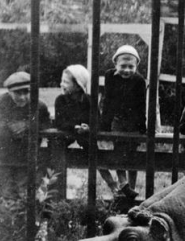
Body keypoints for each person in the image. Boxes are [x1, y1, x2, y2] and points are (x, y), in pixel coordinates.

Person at [53, 64, 117, 193]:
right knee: (55, 152)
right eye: (61, 81)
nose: (61, 84)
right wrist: (74, 127)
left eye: (65, 82)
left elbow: (98, 121)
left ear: (78, 86)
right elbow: (60, 122)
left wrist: (89, 128)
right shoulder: (60, 100)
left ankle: (113, 185)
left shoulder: (89, 100)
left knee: (94, 152)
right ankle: (53, 189)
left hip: (84, 135)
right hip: (67, 134)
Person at [0, 71, 51, 199]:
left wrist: (27, 125)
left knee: (25, 196)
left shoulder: (39, 106)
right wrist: (9, 127)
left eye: (26, 92)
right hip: (3, 159)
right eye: (17, 93)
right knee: (6, 196)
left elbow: (47, 124)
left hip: (26, 159)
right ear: (9, 91)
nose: (22, 97)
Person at [100, 45, 147, 200]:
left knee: (132, 151)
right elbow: (107, 100)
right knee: (119, 148)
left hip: (133, 121)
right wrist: (105, 123)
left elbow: (141, 105)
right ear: (115, 65)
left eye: (131, 67)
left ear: (136, 66)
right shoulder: (110, 76)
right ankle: (122, 181)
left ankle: (131, 187)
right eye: (123, 66)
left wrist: (142, 125)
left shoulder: (139, 81)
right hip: (118, 119)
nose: (127, 70)